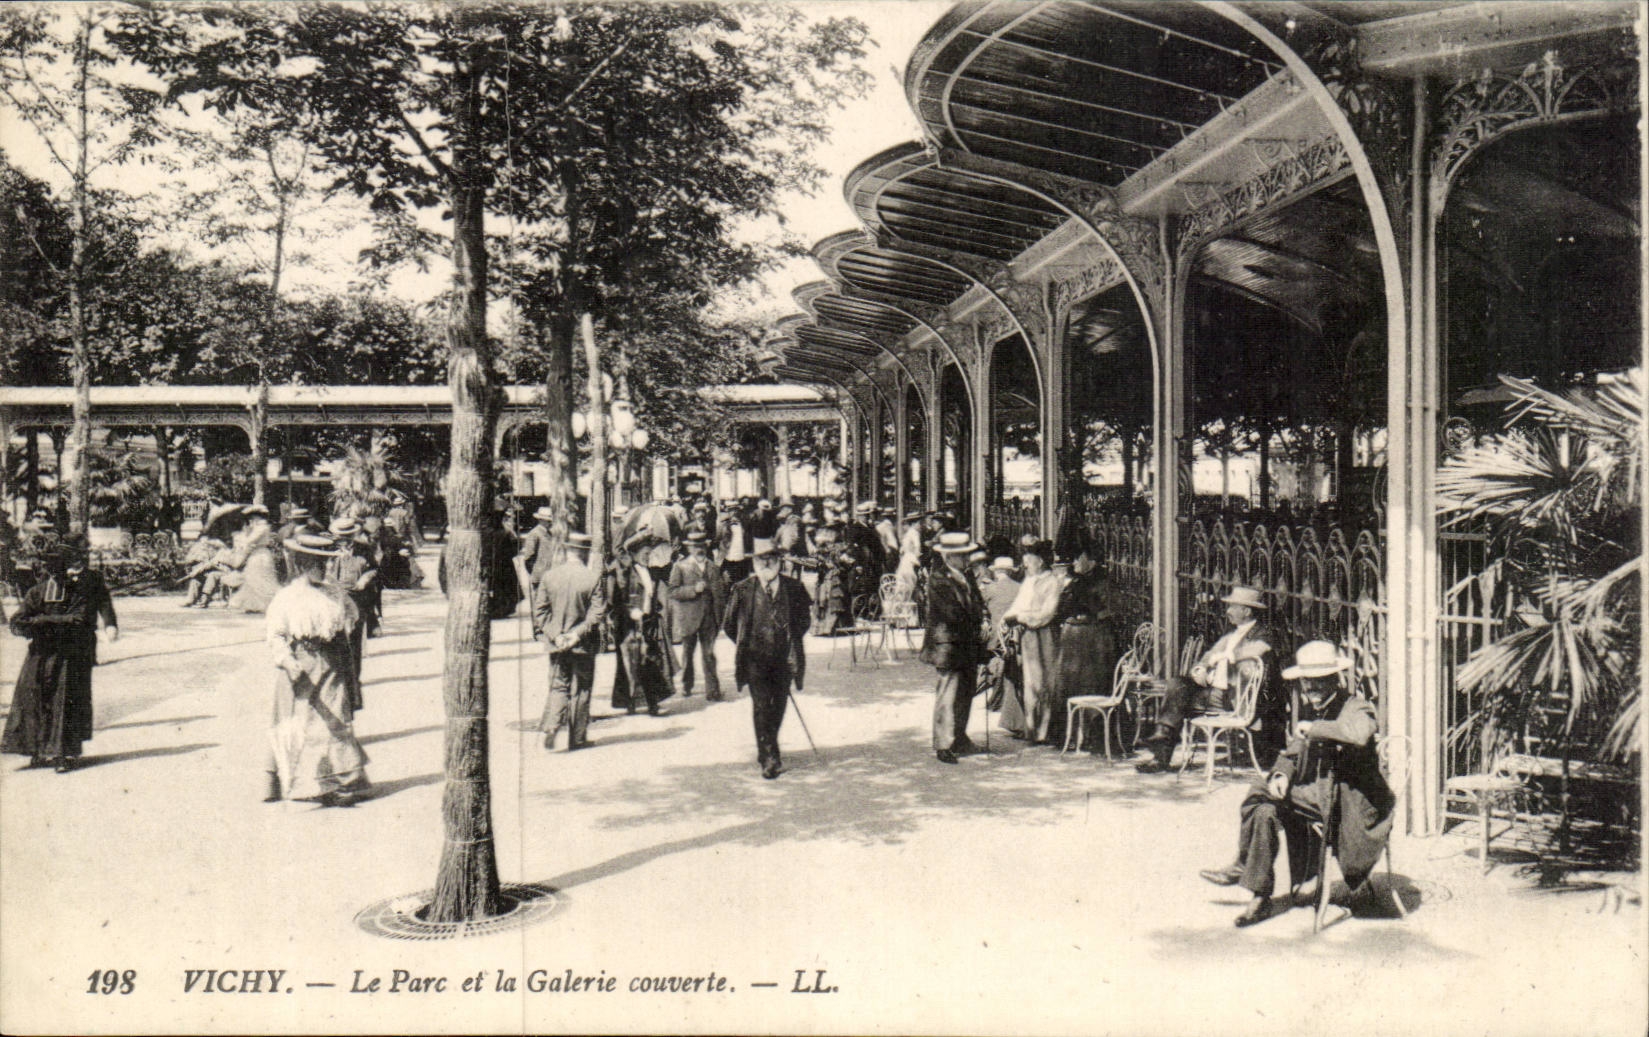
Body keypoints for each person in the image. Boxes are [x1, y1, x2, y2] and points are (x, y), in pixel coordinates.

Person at [1199, 641, 1394, 927]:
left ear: (1333, 680)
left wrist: (1315, 729)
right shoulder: (1314, 709)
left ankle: (1243, 866)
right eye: (1305, 685)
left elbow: (1360, 734)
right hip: (1319, 795)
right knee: (1264, 809)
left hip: (1350, 802)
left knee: (1257, 788)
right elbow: (1291, 754)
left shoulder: (1355, 706)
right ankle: (1260, 895)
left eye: (1316, 685)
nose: (1309, 692)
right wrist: (1281, 776)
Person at [263, 533, 370, 806]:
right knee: (297, 722)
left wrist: (342, 629)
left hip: (332, 663)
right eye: (314, 563)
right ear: (300, 564)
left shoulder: (334, 592)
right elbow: (275, 635)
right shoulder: (288, 597)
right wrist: (288, 660)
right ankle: (292, 783)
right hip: (301, 664)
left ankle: (339, 783)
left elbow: (352, 616)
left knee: (334, 719)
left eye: (325, 563)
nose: (321, 569)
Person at [1137, 585, 1276, 773]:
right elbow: (1208, 655)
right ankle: (1161, 744)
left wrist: (1225, 656)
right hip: (1216, 694)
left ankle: (1161, 748)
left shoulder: (1263, 633)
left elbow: (1256, 651)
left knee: (1179, 698)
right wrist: (1201, 668)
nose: (1227, 611)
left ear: (1246, 610)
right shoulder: (1231, 634)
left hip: (1237, 698)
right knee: (1177, 685)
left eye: (1232, 607)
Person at [2, 545, 117, 772]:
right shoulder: (37, 592)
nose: (56, 575)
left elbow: (80, 621)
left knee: (66, 702)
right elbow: (17, 623)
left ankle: (63, 753)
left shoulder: (79, 592)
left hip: (69, 656)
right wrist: (52, 621)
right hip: (39, 655)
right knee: (33, 699)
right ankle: (36, 751)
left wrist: (40, 621)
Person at [723, 539, 811, 779]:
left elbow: (804, 620)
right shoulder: (743, 589)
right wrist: (748, 643)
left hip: (784, 658)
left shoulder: (794, 588)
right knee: (762, 706)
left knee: (779, 705)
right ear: (754, 561)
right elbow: (730, 625)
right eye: (761, 558)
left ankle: (767, 747)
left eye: (771, 557)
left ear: (779, 560)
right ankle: (770, 756)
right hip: (755, 660)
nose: (767, 562)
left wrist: (789, 638)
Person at [532, 532, 608, 751]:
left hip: (557, 642)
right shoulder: (592, 578)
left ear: (566, 551)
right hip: (582, 643)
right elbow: (596, 613)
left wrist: (556, 635)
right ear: (584, 553)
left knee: (559, 685)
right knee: (582, 688)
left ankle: (552, 726)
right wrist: (577, 634)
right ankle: (577, 738)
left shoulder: (549, 576)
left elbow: (540, 612)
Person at [921, 530, 986, 764]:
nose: (967, 559)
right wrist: (974, 619)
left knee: (966, 692)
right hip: (948, 643)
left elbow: (977, 602)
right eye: (962, 556)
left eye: (967, 555)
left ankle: (959, 737)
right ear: (950, 557)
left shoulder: (966, 576)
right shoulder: (938, 579)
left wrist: (983, 619)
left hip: (967, 643)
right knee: (947, 694)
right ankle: (943, 743)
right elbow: (950, 612)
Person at [1050, 544, 1121, 750]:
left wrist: (1089, 610)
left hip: (1094, 641)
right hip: (1073, 640)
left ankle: (1093, 736)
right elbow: (1062, 608)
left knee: (1093, 684)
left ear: (1092, 560)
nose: (1073, 562)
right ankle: (1068, 736)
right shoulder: (1075, 582)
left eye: (1078, 558)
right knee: (1067, 685)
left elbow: (1108, 611)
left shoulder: (1104, 582)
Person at [1000, 540, 1062, 744]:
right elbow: (1018, 605)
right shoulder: (1029, 581)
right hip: (1028, 637)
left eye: (1030, 557)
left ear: (1041, 560)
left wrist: (1021, 617)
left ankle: (1046, 730)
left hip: (1045, 636)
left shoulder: (1052, 582)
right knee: (1030, 681)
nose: (1026, 562)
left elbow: (1046, 613)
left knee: (1046, 681)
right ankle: (1031, 728)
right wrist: (1007, 618)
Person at [608, 545, 674, 716]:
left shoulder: (651, 572)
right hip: (628, 625)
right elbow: (617, 599)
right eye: (644, 554)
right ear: (634, 554)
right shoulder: (627, 573)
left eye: (649, 554)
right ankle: (630, 703)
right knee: (629, 665)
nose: (647, 557)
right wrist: (629, 611)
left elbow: (657, 593)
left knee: (650, 663)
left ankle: (653, 703)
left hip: (647, 623)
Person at [325, 517, 378, 711]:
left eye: (348, 537)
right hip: (332, 601)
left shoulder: (363, 549)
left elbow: (374, 569)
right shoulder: (328, 550)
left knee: (353, 646)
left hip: (357, 601)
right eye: (341, 537)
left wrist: (365, 577)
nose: (344, 541)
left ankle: (353, 690)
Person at [668, 530, 727, 701]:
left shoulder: (713, 567)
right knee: (688, 653)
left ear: (706, 547)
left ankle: (713, 690)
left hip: (709, 618)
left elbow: (719, 594)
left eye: (701, 546)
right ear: (689, 548)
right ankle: (686, 685)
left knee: (709, 654)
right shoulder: (680, 566)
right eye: (695, 547)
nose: (699, 549)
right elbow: (673, 591)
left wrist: (719, 617)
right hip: (689, 617)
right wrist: (693, 590)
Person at [981, 556, 1024, 736]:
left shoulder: (989, 589)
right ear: (1010, 571)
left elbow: (982, 611)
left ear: (996, 571)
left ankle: (995, 697)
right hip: (1015, 638)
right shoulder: (1020, 588)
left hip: (995, 640)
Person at [221, 505, 282, 613]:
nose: (250, 520)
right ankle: (254, 605)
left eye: (252, 517)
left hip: (261, 555)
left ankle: (272, 604)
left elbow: (250, 541)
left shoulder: (262, 527)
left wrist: (245, 536)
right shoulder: (256, 528)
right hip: (255, 554)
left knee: (262, 579)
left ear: (257, 517)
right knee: (252, 580)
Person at [514, 505, 559, 605]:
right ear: (541, 520)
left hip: (550, 575)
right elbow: (528, 557)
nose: (550, 523)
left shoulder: (550, 534)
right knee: (539, 605)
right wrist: (535, 572)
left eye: (550, 520)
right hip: (539, 576)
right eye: (548, 520)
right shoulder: (534, 534)